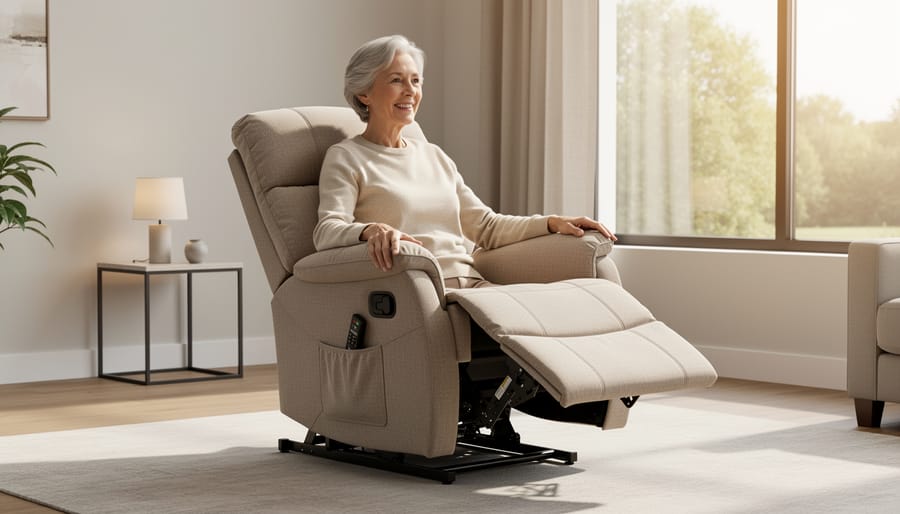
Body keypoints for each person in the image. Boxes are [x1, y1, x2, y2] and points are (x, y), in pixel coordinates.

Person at [313, 35, 616, 288]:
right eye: (396, 80)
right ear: (364, 93)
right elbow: (327, 230)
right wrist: (369, 231)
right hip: (420, 290)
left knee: (581, 298)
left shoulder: (433, 155)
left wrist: (552, 223)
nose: (411, 91)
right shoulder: (347, 158)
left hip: (473, 284)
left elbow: (486, 227)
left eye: (416, 81)